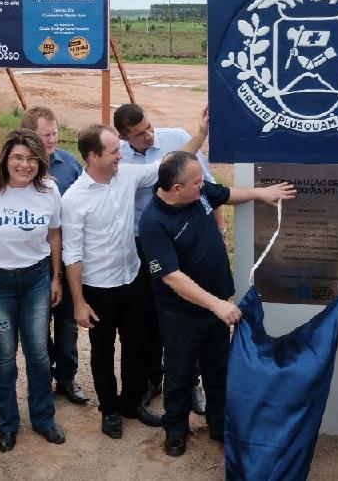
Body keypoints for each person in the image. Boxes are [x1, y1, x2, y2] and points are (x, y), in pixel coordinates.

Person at [140, 150, 295, 457]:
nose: (204, 186)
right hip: (182, 313)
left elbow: (225, 194)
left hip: (216, 306)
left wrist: (260, 193)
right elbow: (171, 277)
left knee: (219, 368)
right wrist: (216, 305)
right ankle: (176, 429)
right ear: (176, 189)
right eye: (197, 183)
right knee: (180, 372)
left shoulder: (197, 192)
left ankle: (218, 424)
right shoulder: (153, 222)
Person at [61, 116, 207, 440]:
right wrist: (79, 303)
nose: (120, 156)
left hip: (132, 278)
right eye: (113, 151)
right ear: (93, 156)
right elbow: (72, 254)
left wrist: (200, 134)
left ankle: (131, 404)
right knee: (102, 353)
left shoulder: (126, 176)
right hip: (98, 290)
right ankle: (109, 410)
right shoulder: (72, 200)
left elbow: (169, 165)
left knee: (136, 347)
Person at [114, 102, 219, 412]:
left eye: (149, 126)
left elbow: (208, 188)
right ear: (124, 137)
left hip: (185, 240)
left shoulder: (175, 137)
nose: (148, 135)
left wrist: (216, 231)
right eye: (139, 133)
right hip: (141, 243)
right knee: (149, 314)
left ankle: (192, 384)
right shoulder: (121, 159)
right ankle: (153, 379)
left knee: (188, 309)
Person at [0, 129, 66, 452]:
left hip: (36, 278)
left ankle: (43, 418)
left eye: (32, 159)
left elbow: (54, 235)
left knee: (38, 351)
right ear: (5, 159)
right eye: (18, 158)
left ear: (41, 161)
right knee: (5, 354)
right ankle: (8, 423)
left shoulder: (49, 190)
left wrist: (56, 278)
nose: (25, 165)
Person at [20, 106, 88, 406]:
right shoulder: (18, 168)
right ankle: (42, 376)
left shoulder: (69, 163)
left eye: (55, 133)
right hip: (32, 261)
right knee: (36, 325)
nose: (52, 140)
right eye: (45, 135)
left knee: (68, 323)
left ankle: (67, 378)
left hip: (68, 258)